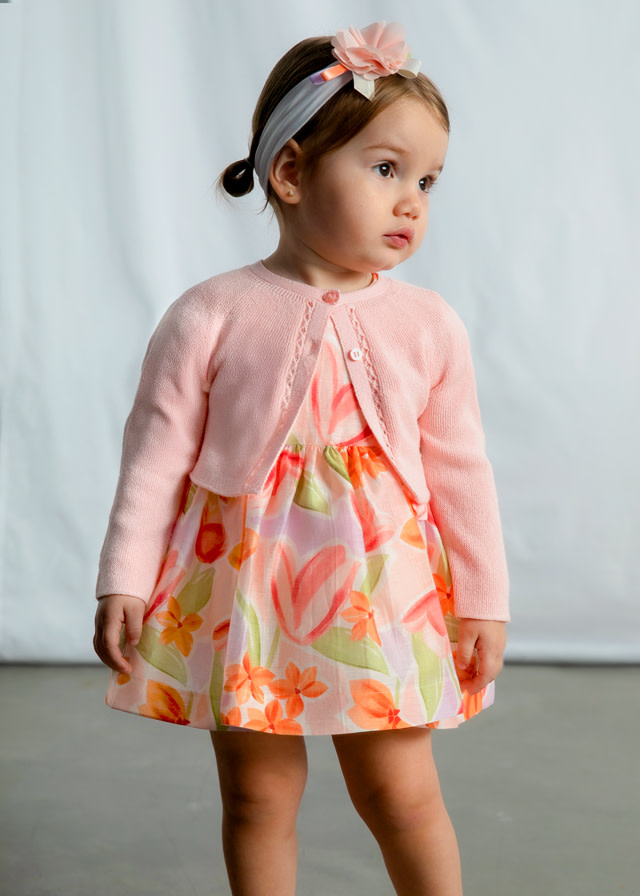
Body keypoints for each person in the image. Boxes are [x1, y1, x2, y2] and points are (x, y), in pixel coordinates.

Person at [94, 21, 509, 896]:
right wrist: (124, 578)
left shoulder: (428, 325)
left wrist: (483, 597)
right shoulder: (210, 313)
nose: (412, 202)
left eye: (428, 181)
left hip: (380, 594)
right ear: (289, 172)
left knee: (400, 794)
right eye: (386, 169)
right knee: (257, 797)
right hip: (244, 592)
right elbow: (154, 457)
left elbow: (462, 471)